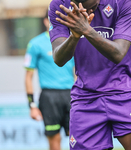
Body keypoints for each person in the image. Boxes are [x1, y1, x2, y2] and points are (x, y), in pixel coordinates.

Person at [48, 0, 131, 149]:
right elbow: (58, 58)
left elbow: (118, 53)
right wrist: (74, 36)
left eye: (85, 2)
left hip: (125, 92)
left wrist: (86, 30)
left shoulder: (125, 2)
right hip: (86, 98)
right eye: (76, 2)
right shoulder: (59, 5)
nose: (81, 7)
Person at [24, 10, 75, 150]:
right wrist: (32, 106)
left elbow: (77, 72)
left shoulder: (72, 40)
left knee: (77, 138)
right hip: (49, 97)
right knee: (54, 140)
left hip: (71, 94)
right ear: (46, 21)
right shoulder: (35, 44)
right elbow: (28, 77)